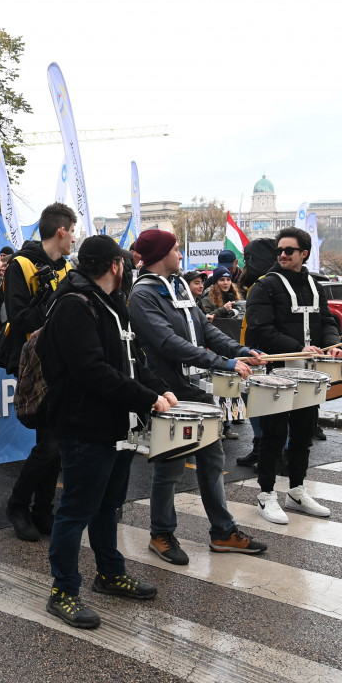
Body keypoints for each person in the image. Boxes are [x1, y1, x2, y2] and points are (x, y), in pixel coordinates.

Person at [41, 235, 176, 629]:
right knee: (76, 510)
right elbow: (92, 371)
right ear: (115, 265)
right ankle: (63, 590)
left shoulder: (112, 304)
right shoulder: (73, 305)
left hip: (115, 424)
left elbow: (133, 360)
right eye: (124, 262)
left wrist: (158, 388)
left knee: (107, 505)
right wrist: (147, 399)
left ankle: (109, 573)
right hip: (84, 425)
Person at [127, 230, 268, 566]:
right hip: (170, 392)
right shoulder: (143, 294)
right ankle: (161, 533)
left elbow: (204, 330)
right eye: (175, 249)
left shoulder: (177, 286)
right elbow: (166, 343)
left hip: (197, 389)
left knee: (212, 460)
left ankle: (222, 532)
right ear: (161, 254)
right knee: (171, 465)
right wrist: (225, 363)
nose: (180, 254)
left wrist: (240, 350)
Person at [244, 227, 342, 523]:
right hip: (276, 372)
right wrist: (300, 348)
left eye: (289, 250)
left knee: (303, 434)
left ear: (304, 253)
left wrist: (332, 344)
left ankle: (297, 489)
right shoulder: (265, 286)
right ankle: (266, 495)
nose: (283, 255)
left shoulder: (315, 285)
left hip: (310, 374)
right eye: (279, 251)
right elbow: (260, 329)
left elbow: (326, 319)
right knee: (272, 436)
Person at [0, 203, 76, 542]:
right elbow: (20, 318)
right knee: (50, 443)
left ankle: (42, 509)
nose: (74, 238)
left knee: (55, 442)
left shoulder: (68, 267)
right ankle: (19, 505)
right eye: (72, 231)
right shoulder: (22, 264)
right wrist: (48, 297)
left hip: (63, 362)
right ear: (61, 231)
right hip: (34, 362)